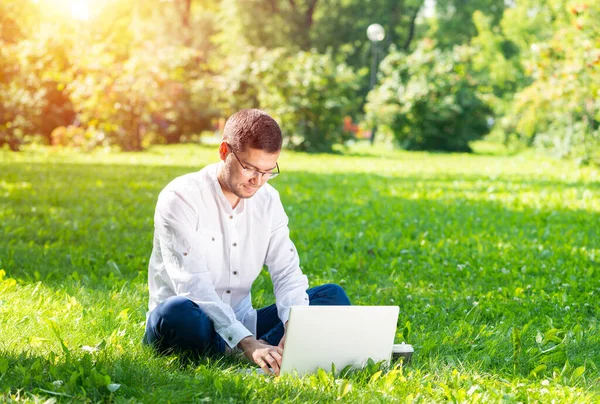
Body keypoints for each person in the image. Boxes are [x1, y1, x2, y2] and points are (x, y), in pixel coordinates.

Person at [144, 109, 351, 375]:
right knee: (179, 311)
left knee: (331, 296)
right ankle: (250, 353)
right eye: (249, 168)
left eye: (267, 172)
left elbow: (287, 271)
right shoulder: (181, 197)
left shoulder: (268, 200)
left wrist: (293, 327)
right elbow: (192, 285)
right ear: (223, 151)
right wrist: (248, 343)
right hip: (190, 321)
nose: (258, 181)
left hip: (243, 321)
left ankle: (272, 352)